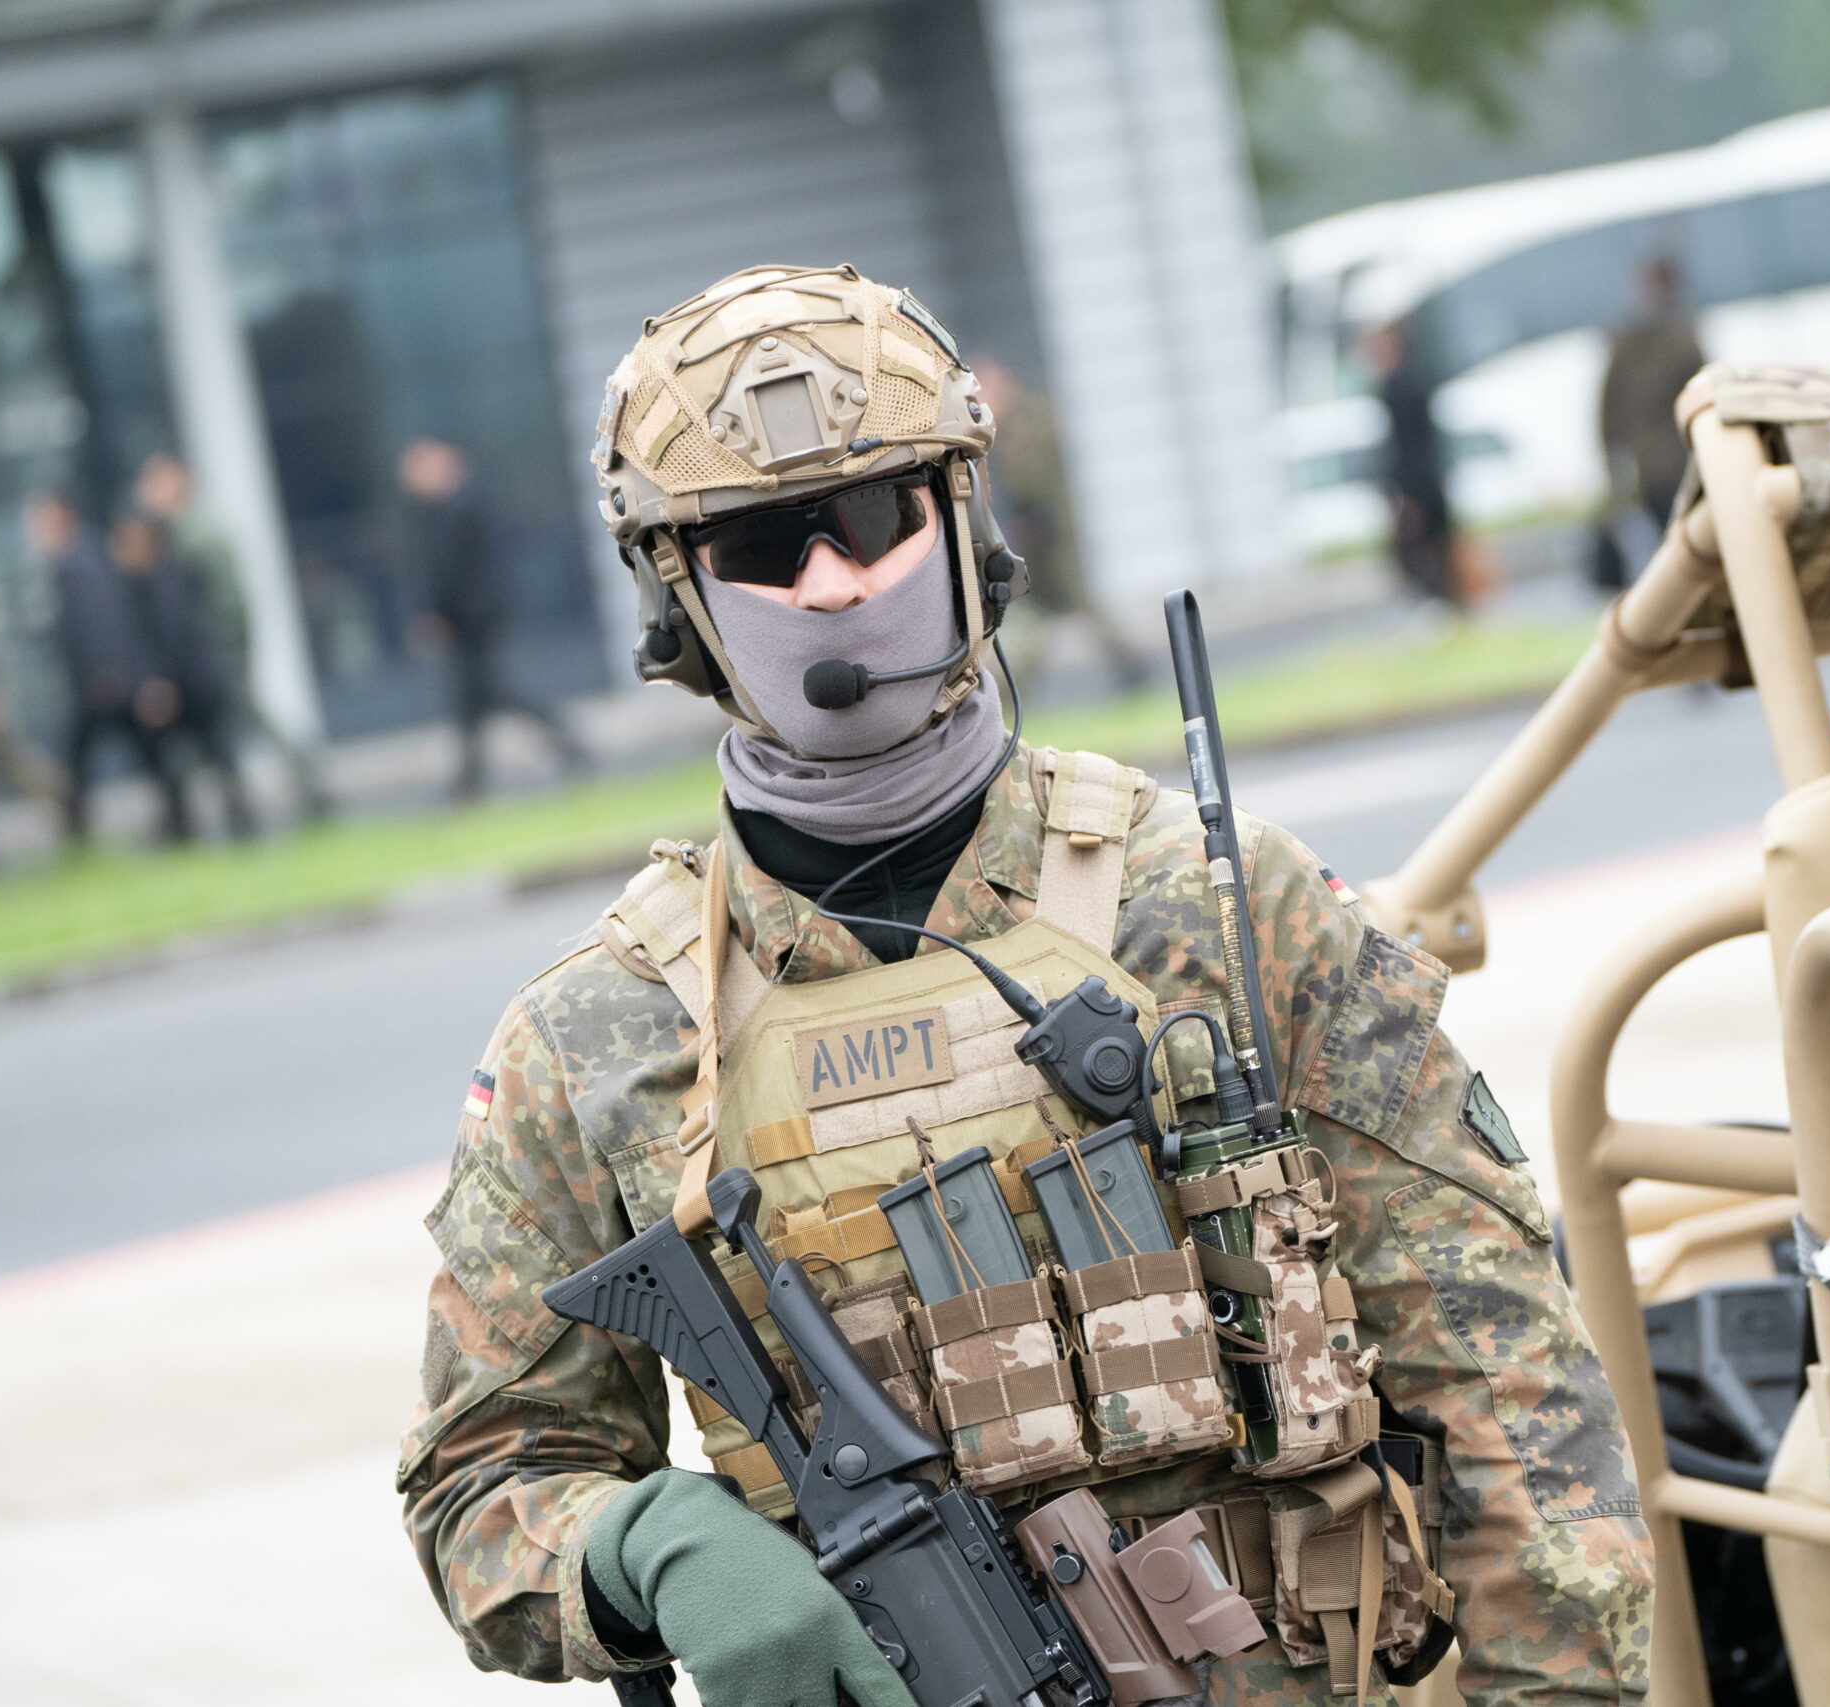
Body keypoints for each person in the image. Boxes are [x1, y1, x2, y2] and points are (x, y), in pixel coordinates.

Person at [400, 264, 1653, 1707]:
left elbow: (1503, 1362)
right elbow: (480, 1477)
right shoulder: (600, 1034)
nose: (831, 581)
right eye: (759, 545)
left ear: (961, 520)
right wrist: (640, 1540)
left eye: (872, 516)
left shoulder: (1219, 903)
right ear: (680, 594)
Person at [133, 453, 332, 819]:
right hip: (200, 657)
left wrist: (235, 651)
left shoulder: (197, 535)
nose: (148, 494)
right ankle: (234, 807)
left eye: (155, 483)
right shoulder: (172, 535)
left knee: (251, 724)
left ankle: (312, 787)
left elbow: (227, 601)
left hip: (214, 654)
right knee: (217, 736)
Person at [396, 437, 587, 799]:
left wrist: (451, 614)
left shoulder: (467, 508)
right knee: (472, 700)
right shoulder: (435, 514)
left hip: (477, 621)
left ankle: (560, 745)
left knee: (489, 693)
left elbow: (471, 570)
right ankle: (470, 780)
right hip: (462, 621)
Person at [968, 356, 1148, 691]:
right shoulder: (1012, 425)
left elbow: (1037, 486)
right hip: (1038, 536)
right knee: (1032, 612)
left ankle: (1130, 664)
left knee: (1068, 602)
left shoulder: (1026, 424)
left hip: (1053, 536)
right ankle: (1009, 689)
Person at [38, 492, 188, 845]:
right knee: (138, 753)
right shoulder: (86, 557)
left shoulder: (76, 563)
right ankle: (174, 821)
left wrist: (107, 674)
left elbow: (99, 624)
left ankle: (81, 832)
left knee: (98, 754)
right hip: (109, 680)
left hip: (105, 683)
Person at [109, 512, 255, 839]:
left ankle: (233, 824)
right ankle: (185, 828)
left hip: (194, 686)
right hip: (181, 685)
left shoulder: (166, 578)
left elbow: (177, 635)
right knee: (182, 762)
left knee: (216, 756)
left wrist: (161, 683)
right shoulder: (137, 584)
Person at [1591, 257, 1704, 592]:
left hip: (1666, 462)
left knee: (1675, 541)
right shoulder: (1673, 336)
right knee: (1677, 540)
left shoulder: (1669, 337)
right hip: (1663, 464)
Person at [1367, 320, 1464, 610]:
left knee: (1420, 549)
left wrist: (1400, 489)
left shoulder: (1399, 385)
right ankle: (1445, 603)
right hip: (1426, 480)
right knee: (1434, 548)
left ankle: (1440, 603)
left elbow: (1405, 444)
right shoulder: (1414, 379)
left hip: (1416, 484)